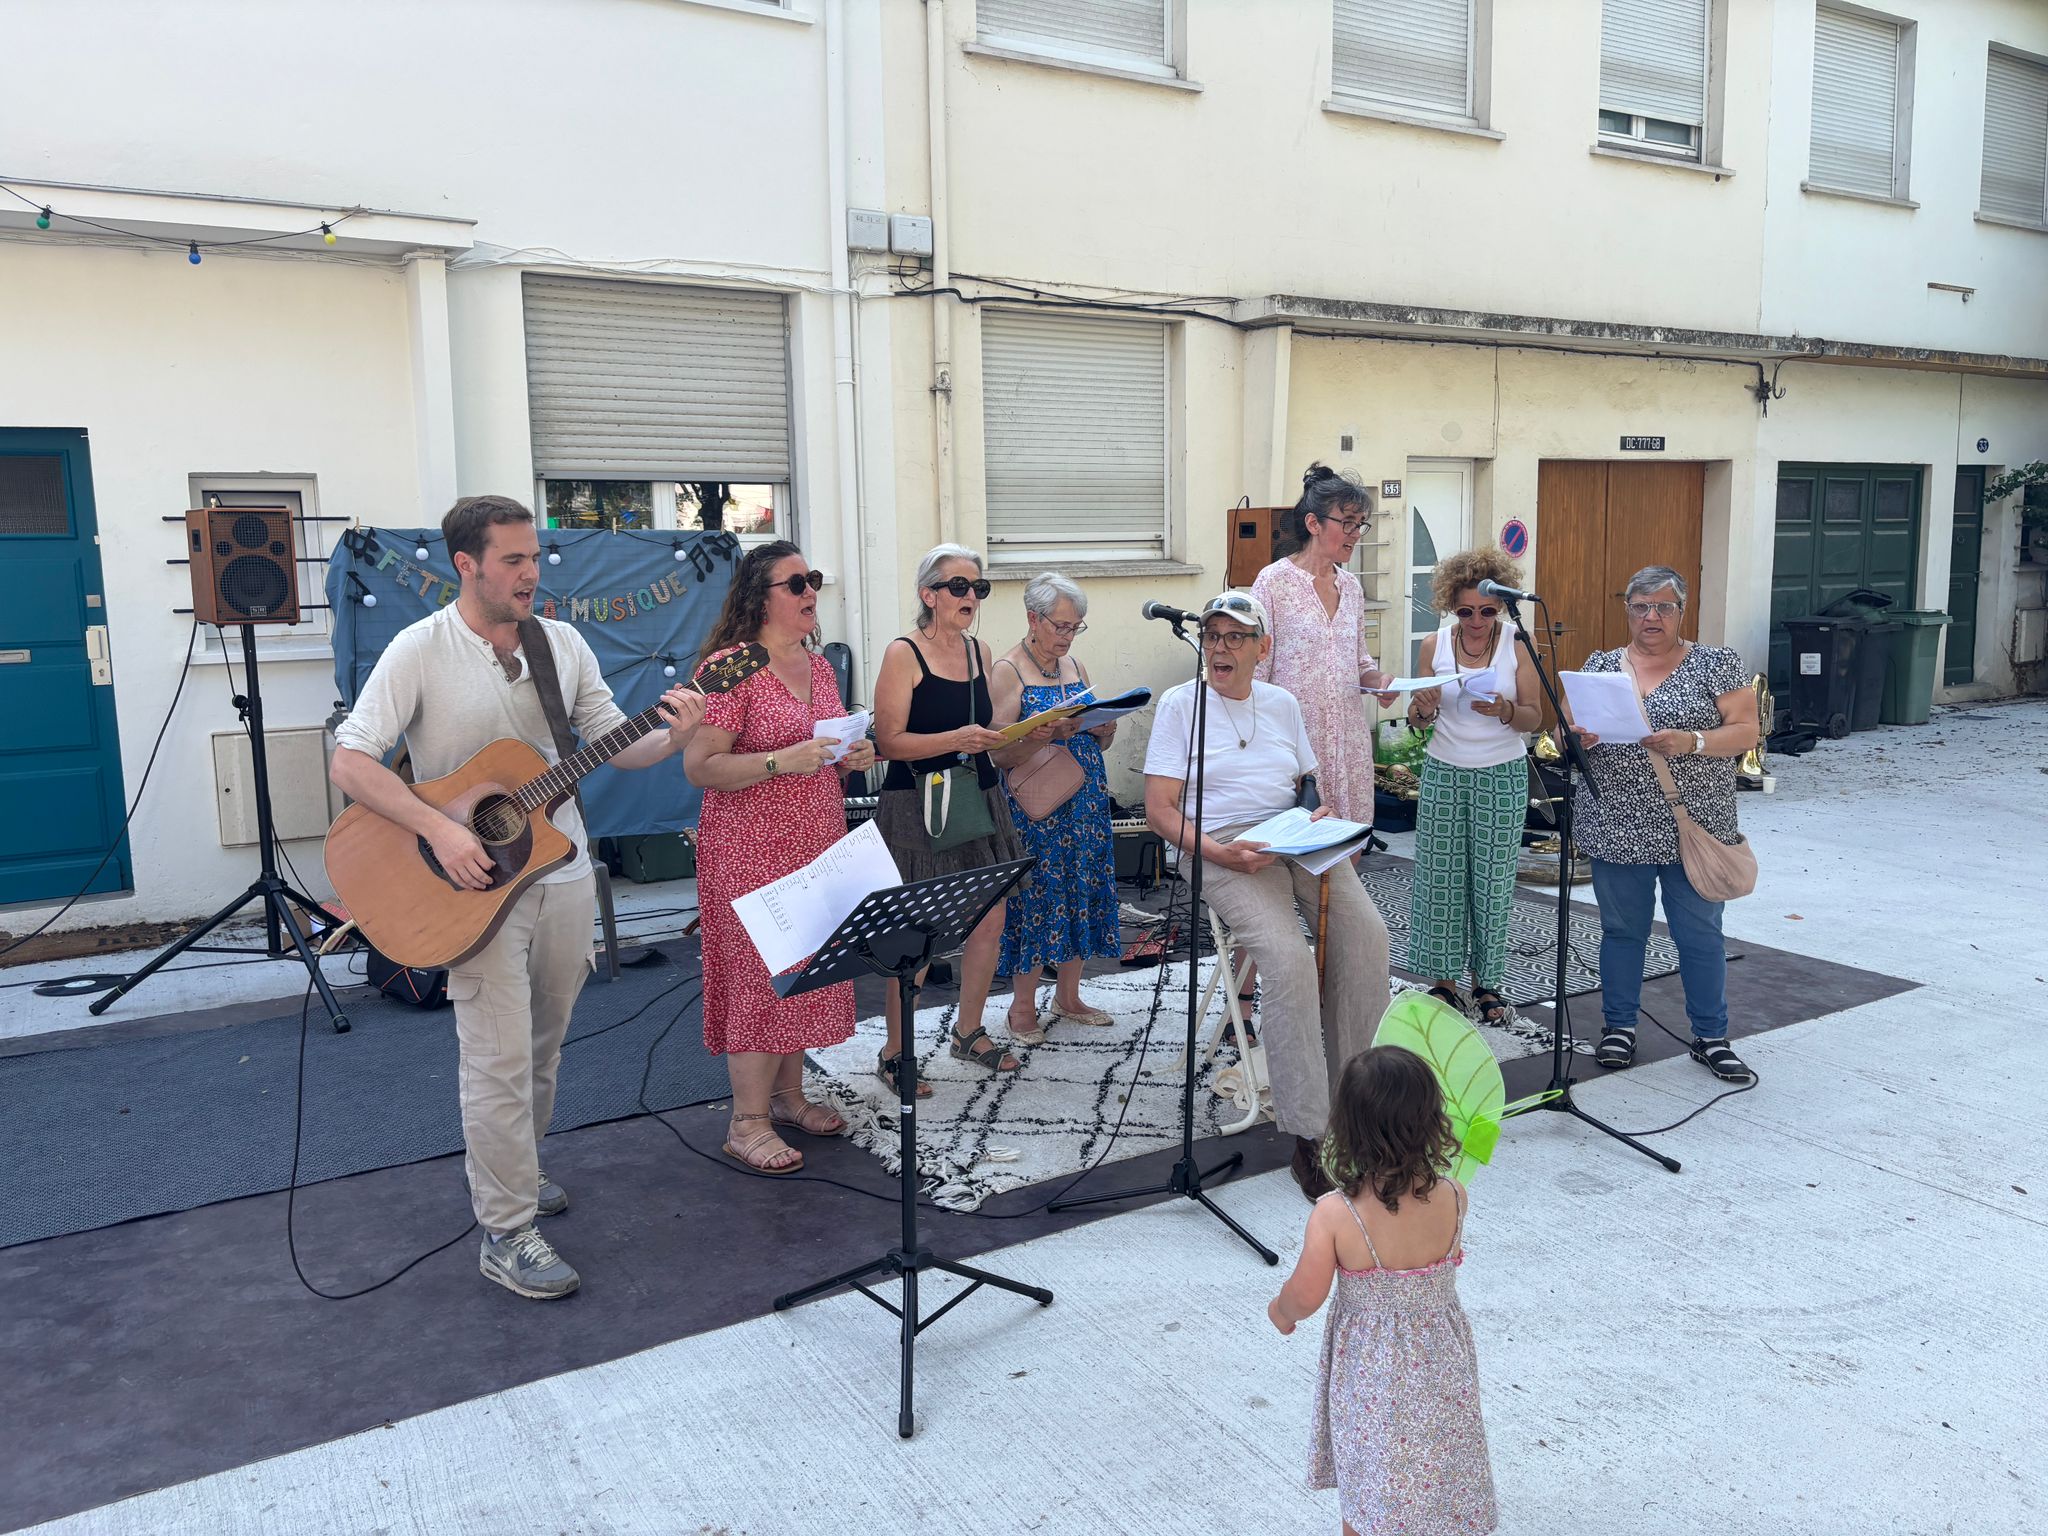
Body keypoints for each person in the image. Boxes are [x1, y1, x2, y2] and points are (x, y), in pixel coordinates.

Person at [330, 495, 706, 1300]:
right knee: (496, 1057)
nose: (532, 573)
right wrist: (440, 830)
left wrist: (675, 729)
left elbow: (620, 739)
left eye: (536, 557)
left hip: (560, 873)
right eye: (513, 560)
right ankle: (505, 1231)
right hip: (469, 889)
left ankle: (520, 1172)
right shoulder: (420, 649)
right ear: (465, 565)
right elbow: (352, 761)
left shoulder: (560, 644)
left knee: (542, 1046)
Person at [1142, 591, 1392, 1202]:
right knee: (1287, 961)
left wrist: (1316, 815)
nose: (1221, 647)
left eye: (1235, 637)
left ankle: (1356, 1109)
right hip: (1220, 844)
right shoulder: (1182, 705)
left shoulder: (1281, 703)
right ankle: (1310, 1133)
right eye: (1214, 635)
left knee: (1368, 942)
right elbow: (1158, 811)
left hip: (1292, 837)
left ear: (1263, 648)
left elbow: (1303, 787)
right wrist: (1221, 853)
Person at [684, 541, 877, 1175]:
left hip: (814, 839)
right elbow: (700, 766)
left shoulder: (819, 667)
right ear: (759, 597)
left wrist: (853, 752)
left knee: (803, 967)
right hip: (748, 846)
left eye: (813, 581)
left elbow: (820, 740)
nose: (810, 593)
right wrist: (779, 760)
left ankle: (790, 1097)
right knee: (757, 976)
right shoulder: (732, 667)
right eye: (796, 584)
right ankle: (747, 1120)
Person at [1268, 1046, 1498, 1536]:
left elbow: (1306, 1295)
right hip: (1441, 1366)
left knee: (1372, 1479)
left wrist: (1281, 1311)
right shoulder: (1455, 1196)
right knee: (1441, 1468)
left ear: (1347, 1129)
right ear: (1433, 1119)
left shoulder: (1335, 1214)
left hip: (1373, 1376)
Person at [1567, 565, 1760, 1083]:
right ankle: (1619, 1028)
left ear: (1681, 611)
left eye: (1663, 607)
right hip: (1616, 821)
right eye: (1640, 606)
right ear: (1626, 609)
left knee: (1699, 935)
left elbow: (1746, 732)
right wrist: (1579, 737)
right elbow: (1569, 723)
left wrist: (1692, 741)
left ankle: (1711, 1036)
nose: (1651, 617)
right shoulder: (1601, 665)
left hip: (1693, 826)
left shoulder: (1714, 663)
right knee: (1621, 931)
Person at [871, 543, 1036, 1090]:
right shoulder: (903, 653)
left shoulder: (980, 652)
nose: (971, 597)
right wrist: (956, 739)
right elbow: (888, 742)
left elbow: (981, 728)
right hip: (916, 803)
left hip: (976, 791)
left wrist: (1014, 736)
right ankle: (897, 1052)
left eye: (978, 588)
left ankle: (968, 1032)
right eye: (959, 587)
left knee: (990, 916)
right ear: (929, 595)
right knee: (914, 931)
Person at [1404, 548, 1542, 1028]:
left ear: (1501, 605)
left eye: (1488, 610)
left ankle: (1487, 981)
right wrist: (1422, 707)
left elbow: (1535, 716)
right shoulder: (1433, 646)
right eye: (1466, 611)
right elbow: (1417, 721)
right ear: (1451, 607)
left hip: (1501, 773)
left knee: (1493, 881)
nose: (1478, 620)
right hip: (1444, 769)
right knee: (1440, 879)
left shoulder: (1518, 644)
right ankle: (1444, 981)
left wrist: (1505, 710)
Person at [989, 572, 1121, 1042]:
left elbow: (1098, 738)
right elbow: (997, 753)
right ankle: (1021, 1007)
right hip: (1037, 809)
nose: (1067, 635)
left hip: (1084, 800)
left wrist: (1104, 729)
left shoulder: (1076, 667)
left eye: (1075, 627)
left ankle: (1068, 996)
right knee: (1038, 898)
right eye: (1061, 626)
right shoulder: (1008, 670)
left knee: (1080, 888)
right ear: (1033, 619)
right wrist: (1041, 734)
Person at [1252, 463, 1396, 827]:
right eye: (1346, 522)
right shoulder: (1273, 583)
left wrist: (1378, 681)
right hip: (1295, 743)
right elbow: (1255, 673)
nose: (1355, 533)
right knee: (1299, 853)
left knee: (1351, 845)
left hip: (1349, 744)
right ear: (1314, 524)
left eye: (1360, 523)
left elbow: (1360, 660)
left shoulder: (1352, 588)